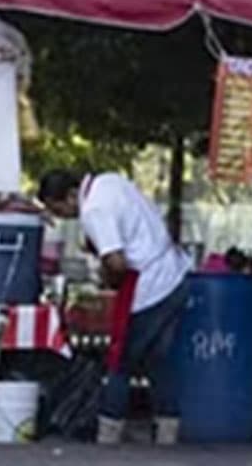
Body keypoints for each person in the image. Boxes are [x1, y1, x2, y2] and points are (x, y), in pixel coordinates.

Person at [38, 170, 194, 446]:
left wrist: (106, 280)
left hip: (149, 287)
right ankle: (168, 432)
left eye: (58, 208)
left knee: (120, 363)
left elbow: (117, 262)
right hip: (175, 275)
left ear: (73, 195)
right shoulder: (109, 181)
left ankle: (108, 434)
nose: (62, 216)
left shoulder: (94, 211)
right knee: (158, 362)